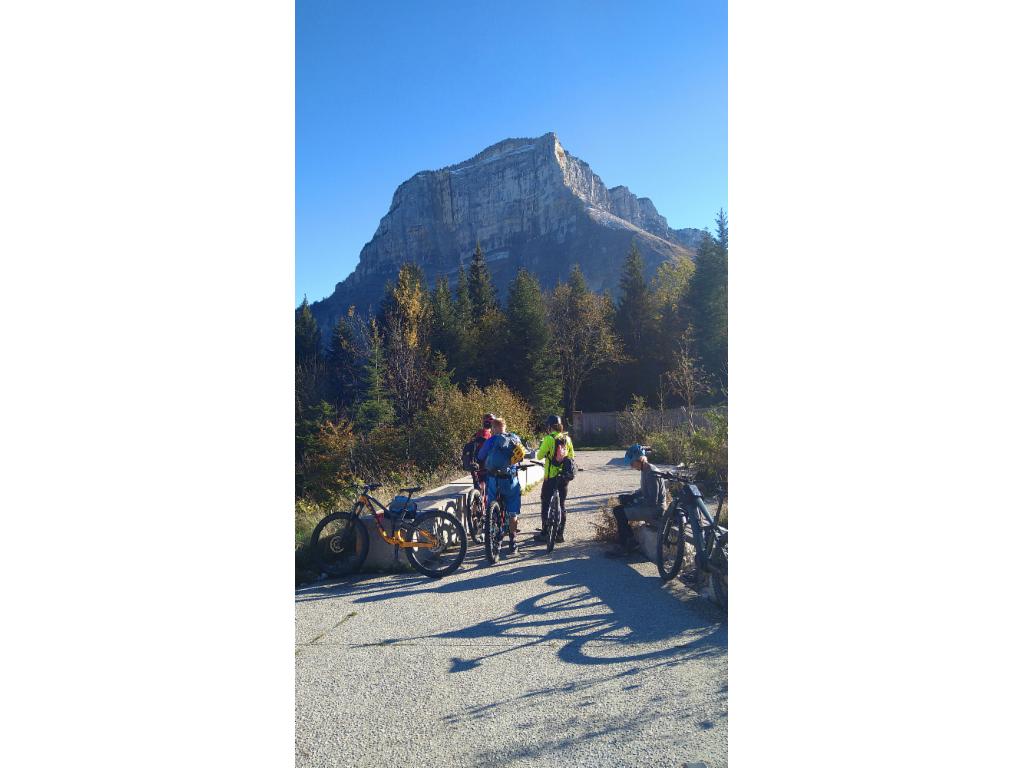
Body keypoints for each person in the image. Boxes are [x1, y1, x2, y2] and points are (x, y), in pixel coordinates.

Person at [605, 443, 667, 557]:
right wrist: (631, 496)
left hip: (656, 509)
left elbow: (653, 501)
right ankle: (630, 541)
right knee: (618, 510)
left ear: (639, 459)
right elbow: (644, 490)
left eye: (632, 463)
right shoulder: (646, 469)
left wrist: (633, 502)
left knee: (620, 512)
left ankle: (626, 545)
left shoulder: (652, 473)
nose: (631, 466)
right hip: (650, 506)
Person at [476, 417, 524, 554]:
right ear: (504, 427)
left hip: (494, 479)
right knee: (513, 511)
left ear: (495, 428)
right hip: (510, 480)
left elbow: (480, 456)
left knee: (492, 503)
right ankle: (513, 540)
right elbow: (522, 455)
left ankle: (494, 527)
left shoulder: (491, 440)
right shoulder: (515, 438)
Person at [532, 414, 574, 543]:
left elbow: (539, 456)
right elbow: (571, 456)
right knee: (561, 504)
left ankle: (545, 533)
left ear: (549, 427)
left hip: (550, 477)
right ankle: (560, 534)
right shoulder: (567, 439)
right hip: (564, 477)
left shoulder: (548, 439)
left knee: (545, 502)